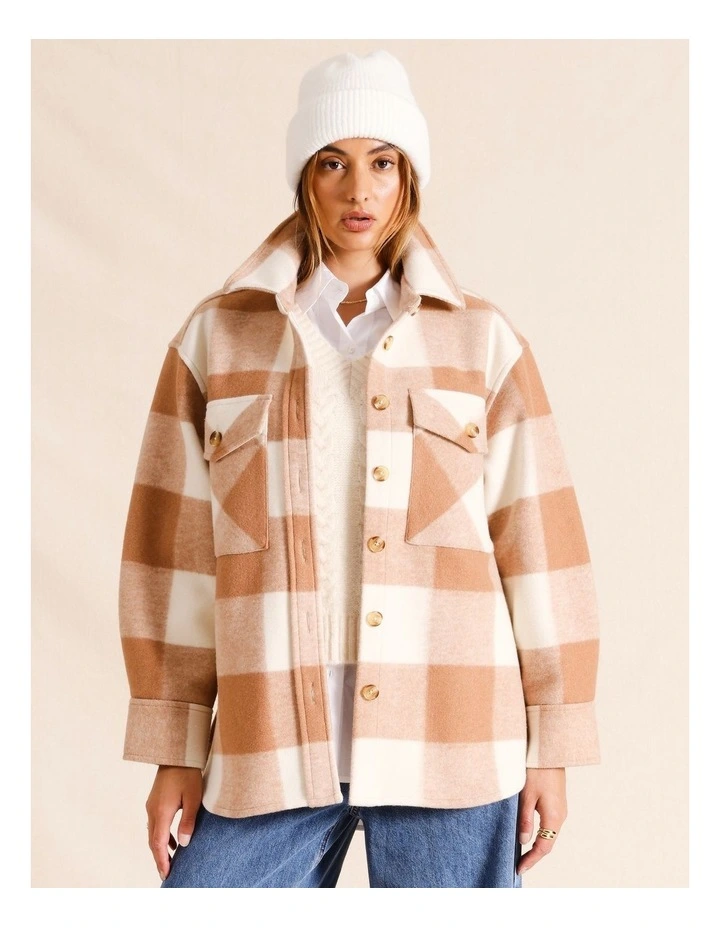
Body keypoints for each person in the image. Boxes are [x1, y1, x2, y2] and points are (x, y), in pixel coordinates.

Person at [118, 49, 601, 889]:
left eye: (382, 163)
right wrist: (175, 750)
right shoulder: (217, 340)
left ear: (408, 177)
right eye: (333, 163)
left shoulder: (481, 342)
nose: (359, 190)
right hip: (269, 746)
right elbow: (172, 559)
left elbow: (540, 547)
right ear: (304, 177)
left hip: (452, 746)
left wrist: (552, 746)